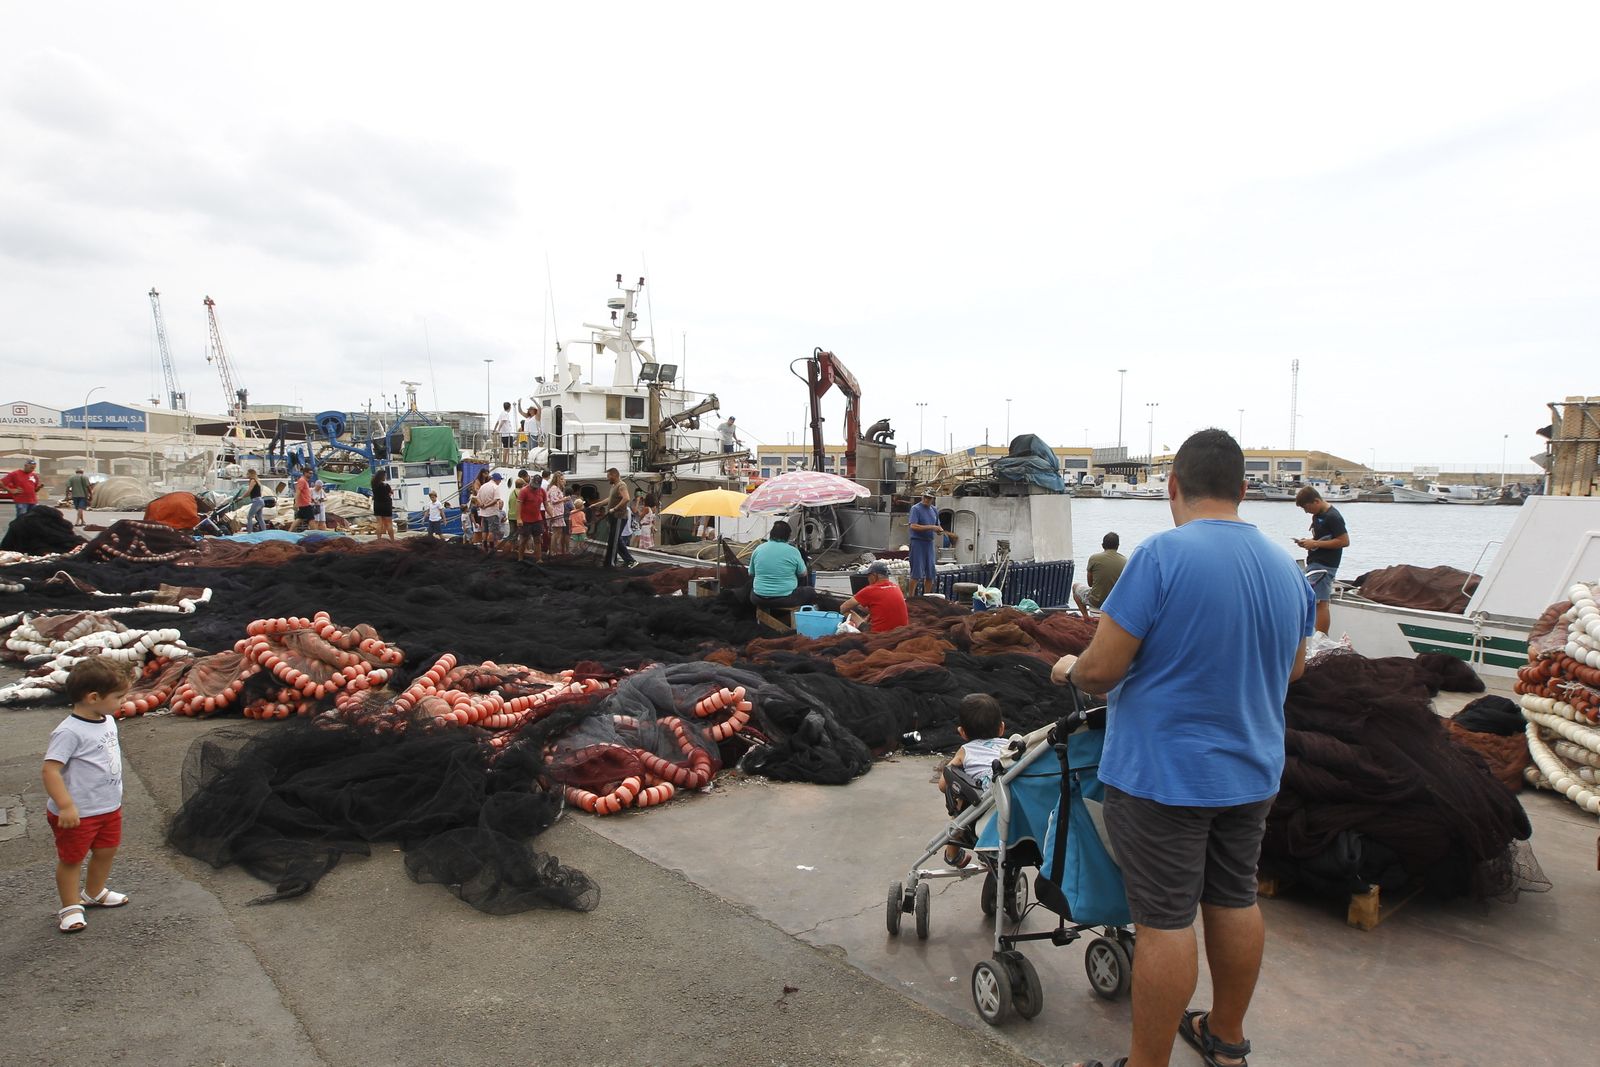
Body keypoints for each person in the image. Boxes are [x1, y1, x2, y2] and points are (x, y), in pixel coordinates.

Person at [1054, 429, 1315, 1067]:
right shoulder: (1287, 568)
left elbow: (1104, 669)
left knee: (1166, 922)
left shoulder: (1161, 556)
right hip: (1252, 772)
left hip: (1163, 776)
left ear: (1174, 487)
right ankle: (1225, 1038)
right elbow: (1296, 669)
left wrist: (1068, 670)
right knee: (1234, 899)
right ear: (1244, 490)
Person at [42, 657, 133, 934]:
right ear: (94, 697)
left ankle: (93, 892)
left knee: (106, 851)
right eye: (119, 696)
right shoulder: (69, 731)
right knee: (72, 859)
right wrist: (66, 805)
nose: (123, 702)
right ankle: (70, 907)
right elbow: (50, 770)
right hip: (77, 812)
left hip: (107, 807)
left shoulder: (105, 719)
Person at [935, 693, 1007, 865]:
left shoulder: (966, 750)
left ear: (962, 733)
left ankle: (953, 856)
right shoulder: (1008, 746)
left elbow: (944, 783)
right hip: (1010, 802)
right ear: (1001, 728)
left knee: (959, 808)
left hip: (980, 808)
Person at [1294, 485, 1350, 636]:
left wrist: (1316, 544)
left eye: (1307, 507)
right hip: (1315, 561)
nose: (1306, 512)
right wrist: (1309, 542)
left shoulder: (1333, 517)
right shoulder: (1317, 516)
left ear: (1316, 501)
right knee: (1312, 600)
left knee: (1320, 602)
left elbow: (1344, 541)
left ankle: (1321, 638)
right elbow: (1323, 539)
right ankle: (1312, 634)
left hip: (1325, 565)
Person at [748, 520, 816, 607]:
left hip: (758, 598)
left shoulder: (758, 549)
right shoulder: (793, 551)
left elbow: (751, 573)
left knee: (750, 587)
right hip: (785, 599)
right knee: (810, 591)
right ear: (788, 536)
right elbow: (803, 574)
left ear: (771, 534)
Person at [907, 489, 955, 596]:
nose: (926, 499)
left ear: (933, 499)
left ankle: (927, 597)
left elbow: (937, 525)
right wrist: (932, 527)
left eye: (929, 498)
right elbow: (913, 526)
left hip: (929, 543)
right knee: (916, 573)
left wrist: (939, 531)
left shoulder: (934, 510)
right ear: (922, 497)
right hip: (918, 543)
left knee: (930, 573)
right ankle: (911, 597)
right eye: (925, 497)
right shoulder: (915, 509)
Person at [840, 560, 909, 632]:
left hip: (878, 634)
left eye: (868, 576)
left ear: (874, 576)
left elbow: (843, 608)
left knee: (846, 612)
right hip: (901, 632)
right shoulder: (896, 587)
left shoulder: (870, 590)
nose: (868, 579)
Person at [1074, 532, 1127, 620]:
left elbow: (1090, 583)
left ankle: (1086, 617)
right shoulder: (1125, 561)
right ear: (1118, 546)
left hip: (1096, 601)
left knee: (1075, 587)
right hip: (1114, 602)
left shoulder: (1094, 558)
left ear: (1102, 545)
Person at [600, 467, 635, 568]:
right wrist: (597, 504)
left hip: (619, 516)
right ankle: (615, 561)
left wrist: (614, 509)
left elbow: (626, 498)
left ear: (614, 475)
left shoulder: (621, 485)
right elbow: (609, 499)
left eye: (608, 476)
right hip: (613, 517)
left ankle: (628, 561)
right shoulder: (614, 486)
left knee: (615, 540)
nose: (607, 478)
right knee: (613, 539)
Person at [517, 473, 547, 563]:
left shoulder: (542, 491)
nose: (534, 487)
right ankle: (520, 558)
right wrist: (518, 518)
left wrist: (551, 513)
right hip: (525, 520)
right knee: (524, 540)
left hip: (537, 519)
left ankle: (539, 559)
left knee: (538, 540)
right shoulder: (524, 491)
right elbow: (518, 503)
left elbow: (546, 504)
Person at [477, 471, 506, 554]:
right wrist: (486, 505)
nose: (500, 482)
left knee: (484, 531)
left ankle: (484, 547)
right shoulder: (495, 487)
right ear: (497, 480)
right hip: (492, 512)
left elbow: (477, 498)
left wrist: (481, 505)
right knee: (492, 531)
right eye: (500, 480)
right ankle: (491, 548)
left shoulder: (483, 486)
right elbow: (496, 500)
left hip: (483, 513)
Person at [545, 471, 569, 555]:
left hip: (558, 512)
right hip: (555, 513)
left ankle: (553, 550)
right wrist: (564, 499)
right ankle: (552, 551)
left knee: (558, 532)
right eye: (561, 479)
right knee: (556, 532)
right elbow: (554, 500)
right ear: (557, 479)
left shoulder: (556, 488)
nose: (563, 481)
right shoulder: (554, 488)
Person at [370, 469, 395, 541]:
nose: (386, 477)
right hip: (386, 505)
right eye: (385, 475)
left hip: (377, 504)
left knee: (379, 524)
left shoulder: (373, 484)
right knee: (389, 524)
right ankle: (392, 540)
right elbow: (389, 494)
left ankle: (379, 539)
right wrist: (390, 492)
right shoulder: (386, 485)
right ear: (382, 476)